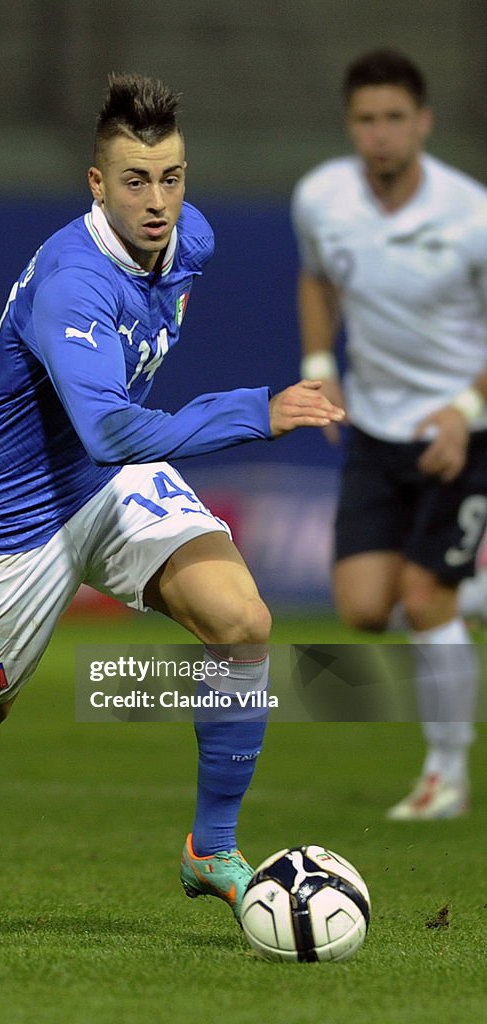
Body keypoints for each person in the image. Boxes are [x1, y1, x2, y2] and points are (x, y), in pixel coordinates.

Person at [0, 72, 343, 935]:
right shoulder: (73, 283)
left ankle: (209, 849)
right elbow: (111, 427)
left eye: (172, 177)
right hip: (19, 509)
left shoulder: (191, 241)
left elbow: (113, 440)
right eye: (135, 181)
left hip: (108, 483)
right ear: (96, 184)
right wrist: (255, 413)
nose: (159, 203)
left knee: (241, 622)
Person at [292, 49, 487, 820]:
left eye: (394, 118)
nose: (379, 134)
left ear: (422, 123)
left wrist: (464, 412)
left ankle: (446, 773)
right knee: (366, 608)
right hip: (374, 430)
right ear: (351, 126)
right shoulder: (320, 197)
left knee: (421, 597)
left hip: (462, 431)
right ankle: (465, 593)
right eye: (366, 120)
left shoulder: (470, 213)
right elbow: (315, 277)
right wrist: (318, 363)